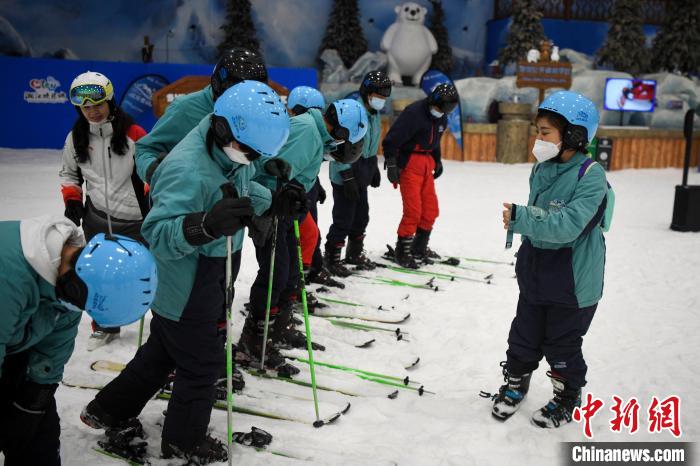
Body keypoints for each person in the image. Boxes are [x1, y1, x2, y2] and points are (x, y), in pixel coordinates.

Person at [80, 81, 290, 464]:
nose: (252, 159)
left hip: (203, 275)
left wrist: (271, 197)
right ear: (224, 129)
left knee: (161, 354)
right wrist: (205, 225)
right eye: (250, 151)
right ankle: (184, 441)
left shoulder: (227, 147)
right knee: (202, 365)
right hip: (187, 284)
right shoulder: (186, 169)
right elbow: (156, 234)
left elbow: (239, 185)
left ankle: (107, 410)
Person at [491, 91, 608, 429]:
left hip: (572, 282)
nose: (538, 139)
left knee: (562, 345)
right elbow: (542, 217)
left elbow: (569, 226)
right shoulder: (543, 167)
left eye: (545, 133)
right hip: (537, 272)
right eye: (538, 131)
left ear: (573, 134)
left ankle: (567, 395)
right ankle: (516, 384)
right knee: (523, 336)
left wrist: (523, 219)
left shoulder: (591, 175)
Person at [0, 216, 156, 466]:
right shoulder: (9, 278)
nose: (77, 310)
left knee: (38, 435)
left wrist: (34, 400)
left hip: (13, 347)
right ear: (76, 285)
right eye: (81, 303)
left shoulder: (73, 282)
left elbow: (53, 347)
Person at [239, 98, 368, 369]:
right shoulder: (308, 133)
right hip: (270, 208)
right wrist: (282, 196)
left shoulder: (317, 134)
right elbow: (272, 171)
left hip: (285, 211)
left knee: (288, 272)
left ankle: (277, 328)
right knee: (275, 272)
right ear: (342, 132)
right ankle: (254, 340)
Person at [60, 70, 149, 349]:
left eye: (97, 104)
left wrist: (152, 198)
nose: (92, 112)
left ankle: (162, 327)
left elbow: (152, 173)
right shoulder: (75, 138)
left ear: (110, 102)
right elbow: (69, 174)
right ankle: (105, 324)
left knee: (147, 273)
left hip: (137, 220)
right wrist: (72, 200)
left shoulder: (134, 134)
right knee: (98, 275)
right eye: (85, 107)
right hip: (97, 219)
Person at [382, 83, 458, 268]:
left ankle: (419, 247)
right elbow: (391, 139)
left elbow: (436, 141)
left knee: (431, 210)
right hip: (409, 164)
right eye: (440, 108)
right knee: (413, 211)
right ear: (434, 102)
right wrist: (392, 163)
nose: (442, 112)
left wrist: (437, 160)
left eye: (446, 110)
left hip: (426, 163)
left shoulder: (441, 117)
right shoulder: (414, 113)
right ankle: (403, 251)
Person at [325, 70, 392, 276]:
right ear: (367, 92)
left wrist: (372, 167)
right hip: (346, 169)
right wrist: (347, 175)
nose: (381, 101)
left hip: (363, 167)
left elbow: (370, 142)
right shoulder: (352, 111)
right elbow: (341, 147)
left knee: (361, 216)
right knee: (344, 217)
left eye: (384, 98)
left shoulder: (374, 112)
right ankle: (331, 258)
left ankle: (354, 254)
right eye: (378, 96)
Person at [286, 86, 342, 289]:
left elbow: (309, 165)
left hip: (306, 188)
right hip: (290, 192)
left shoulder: (312, 131)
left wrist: (317, 185)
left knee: (311, 232)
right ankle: (294, 283)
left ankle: (311, 270)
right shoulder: (299, 130)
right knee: (298, 239)